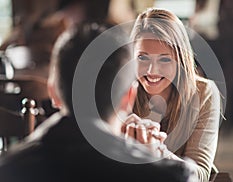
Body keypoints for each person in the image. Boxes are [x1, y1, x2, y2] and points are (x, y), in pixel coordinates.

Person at [0, 23, 197, 182]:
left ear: (53, 92)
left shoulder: (9, 169)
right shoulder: (172, 176)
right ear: (129, 97)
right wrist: (149, 160)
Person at [123, 8, 221, 181]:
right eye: (143, 58)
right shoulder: (121, 91)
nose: (152, 71)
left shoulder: (204, 93)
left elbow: (201, 175)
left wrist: (158, 152)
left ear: (180, 59)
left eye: (165, 59)